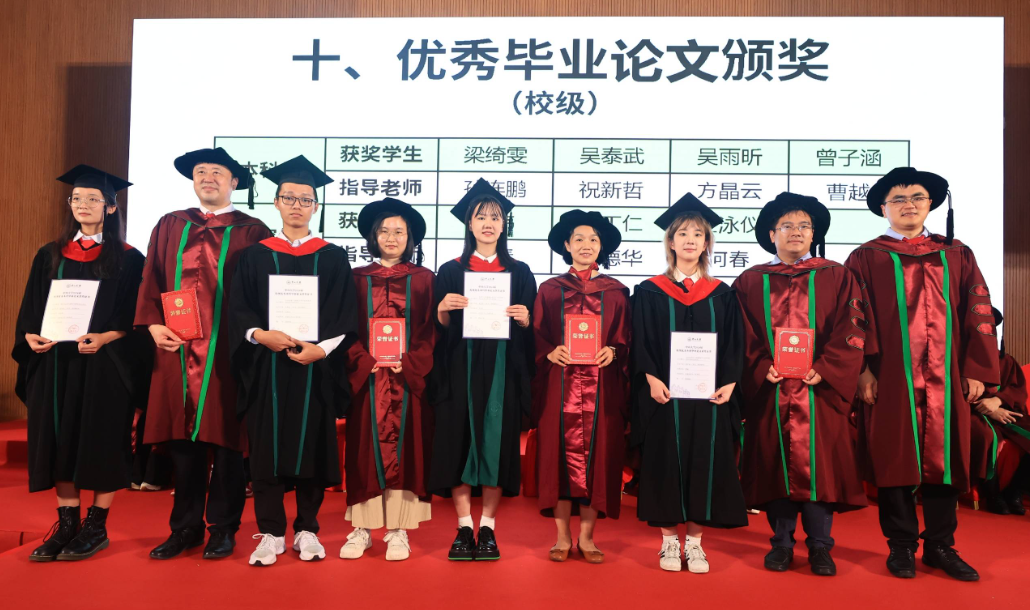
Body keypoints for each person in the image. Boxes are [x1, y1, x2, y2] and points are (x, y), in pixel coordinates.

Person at [845, 167, 999, 581]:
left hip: (947, 377)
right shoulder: (866, 257)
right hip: (890, 377)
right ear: (883, 208)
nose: (908, 205)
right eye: (898, 199)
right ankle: (901, 546)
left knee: (944, 461)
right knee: (895, 460)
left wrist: (977, 369)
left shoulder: (957, 253)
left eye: (917, 197)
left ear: (931, 203)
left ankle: (940, 545)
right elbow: (852, 319)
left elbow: (979, 312)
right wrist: (862, 372)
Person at [136, 147, 272, 560]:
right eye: (200, 171)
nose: (208, 178)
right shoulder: (170, 224)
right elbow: (151, 278)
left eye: (217, 172)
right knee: (183, 441)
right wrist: (152, 324)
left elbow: (264, 292)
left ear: (234, 182)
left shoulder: (253, 230)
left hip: (227, 352)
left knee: (228, 440)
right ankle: (185, 528)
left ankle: (224, 529)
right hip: (176, 350)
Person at [228, 156, 358, 566]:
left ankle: (307, 529)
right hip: (266, 366)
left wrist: (323, 349)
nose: (297, 205)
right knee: (266, 448)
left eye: (305, 199)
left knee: (312, 446)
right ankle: (270, 532)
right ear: (277, 202)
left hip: (314, 367)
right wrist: (259, 334)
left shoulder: (332, 256)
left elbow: (344, 311)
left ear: (316, 206)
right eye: (289, 198)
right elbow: (239, 308)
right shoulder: (254, 255)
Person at [14, 166, 146, 562]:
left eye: (92, 199)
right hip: (56, 363)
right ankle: (67, 524)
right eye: (76, 199)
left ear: (110, 207)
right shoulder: (50, 254)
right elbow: (31, 309)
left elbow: (134, 317)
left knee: (101, 439)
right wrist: (30, 336)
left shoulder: (129, 259)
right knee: (58, 438)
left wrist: (107, 337)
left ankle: (96, 526)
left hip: (104, 365)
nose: (83, 205)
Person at [733, 192, 867, 576]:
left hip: (819, 391)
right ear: (771, 234)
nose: (796, 232)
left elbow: (852, 328)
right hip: (771, 391)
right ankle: (781, 544)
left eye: (805, 226)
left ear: (814, 234)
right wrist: (760, 366)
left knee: (820, 470)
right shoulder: (750, 280)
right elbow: (739, 333)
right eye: (787, 225)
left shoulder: (837, 275)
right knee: (774, 466)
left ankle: (821, 547)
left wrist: (826, 367)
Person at [630, 193, 747, 573]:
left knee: (705, 461)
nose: (690, 240)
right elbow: (640, 339)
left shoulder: (723, 294)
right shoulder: (649, 291)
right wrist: (650, 378)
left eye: (698, 233)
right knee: (665, 461)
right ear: (670, 241)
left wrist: (730, 382)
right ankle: (668, 542)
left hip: (709, 396)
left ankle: (695, 544)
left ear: (707, 242)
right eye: (682, 233)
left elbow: (734, 344)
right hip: (665, 395)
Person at [428, 178, 536, 561]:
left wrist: (525, 319)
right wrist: (443, 309)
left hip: (503, 370)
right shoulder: (450, 271)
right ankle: (463, 527)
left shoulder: (520, 272)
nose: (488, 223)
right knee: (457, 439)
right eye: (480, 217)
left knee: (496, 441)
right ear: (469, 224)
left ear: (504, 224)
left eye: (495, 217)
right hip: (459, 367)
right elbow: (438, 328)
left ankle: (487, 527)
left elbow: (531, 329)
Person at [339, 197, 435, 562]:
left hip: (406, 381)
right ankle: (361, 529)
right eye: (384, 231)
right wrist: (363, 359)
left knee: (407, 450)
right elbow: (344, 329)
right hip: (368, 379)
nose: (391, 238)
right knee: (363, 449)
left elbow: (429, 331)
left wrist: (409, 362)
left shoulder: (424, 280)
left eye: (399, 231)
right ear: (372, 236)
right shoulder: (355, 278)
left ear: (410, 238)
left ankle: (398, 530)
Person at [532, 210, 629, 564]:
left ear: (601, 247)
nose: (586, 245)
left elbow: (626, 338)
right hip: (559, 387)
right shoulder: (550, 289)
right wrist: (549, 351)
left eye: (593, 239)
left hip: (602, 390)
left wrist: (614, 351)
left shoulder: (617, 292)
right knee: (558, 459)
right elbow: (537, 335)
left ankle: (587, 538)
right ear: (566, 245)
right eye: (579, 239)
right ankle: (562, 537)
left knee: (597, 460)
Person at [971, 307, 1028, 515]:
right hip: (972, 413)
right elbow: (955, 393)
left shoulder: (1006, 361)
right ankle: (992, 494)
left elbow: (1018, 390)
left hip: (1005, 409)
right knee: (986, 437)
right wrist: (988, 409)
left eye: (991, 328)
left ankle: (1014, 491)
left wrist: (998, 400)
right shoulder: (961, 361)